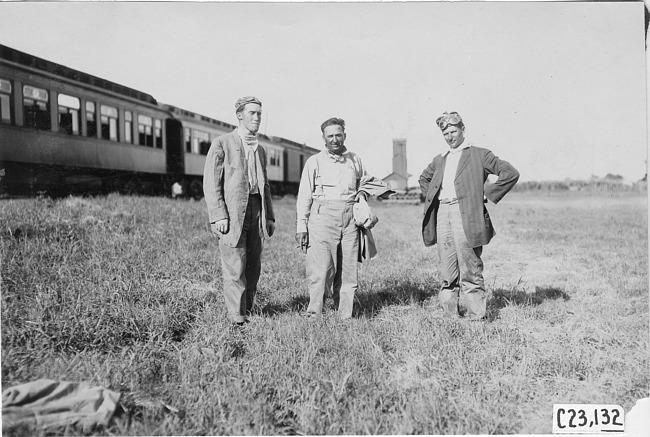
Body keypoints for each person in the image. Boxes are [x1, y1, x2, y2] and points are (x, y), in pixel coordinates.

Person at [419, 111, 519, 320]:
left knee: (470, 266)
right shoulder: (440, 159)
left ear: (463, 130)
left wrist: (486, 194)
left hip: (465, 214)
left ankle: (476, 316)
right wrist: (434, 197)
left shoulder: (480, 154)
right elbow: (424, 179)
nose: (450, 136)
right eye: (445, 133)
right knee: (447, 268)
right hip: (443, 213)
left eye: (453, 131)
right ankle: (450, 315)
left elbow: (509, 172)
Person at [295, 117, 390, 320]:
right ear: (323, 138)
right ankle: (314, 314)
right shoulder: (314, 162)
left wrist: (362, 195)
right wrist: (301, 226)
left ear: (345, 135)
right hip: (322, 218)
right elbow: (304, 196)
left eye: (338, 135)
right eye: (330, 136)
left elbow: (364, 182)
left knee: (348, 270)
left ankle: (344, 315)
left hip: (349, 219)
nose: (335, 139)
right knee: (321, 270)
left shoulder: (355, 159)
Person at [203, 96, 275, 327]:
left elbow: (265, 185)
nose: (257, 118)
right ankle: (237, 318)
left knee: (253, 266)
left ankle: (249, 310)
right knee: (235, 266)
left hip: (256, 210)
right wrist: (218, 215)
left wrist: (269, 215)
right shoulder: (222, 143)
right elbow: (211, 182)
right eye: (252, 113)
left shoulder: (260, 149)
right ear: (240, 115)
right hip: (233, 212)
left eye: (259, 114)